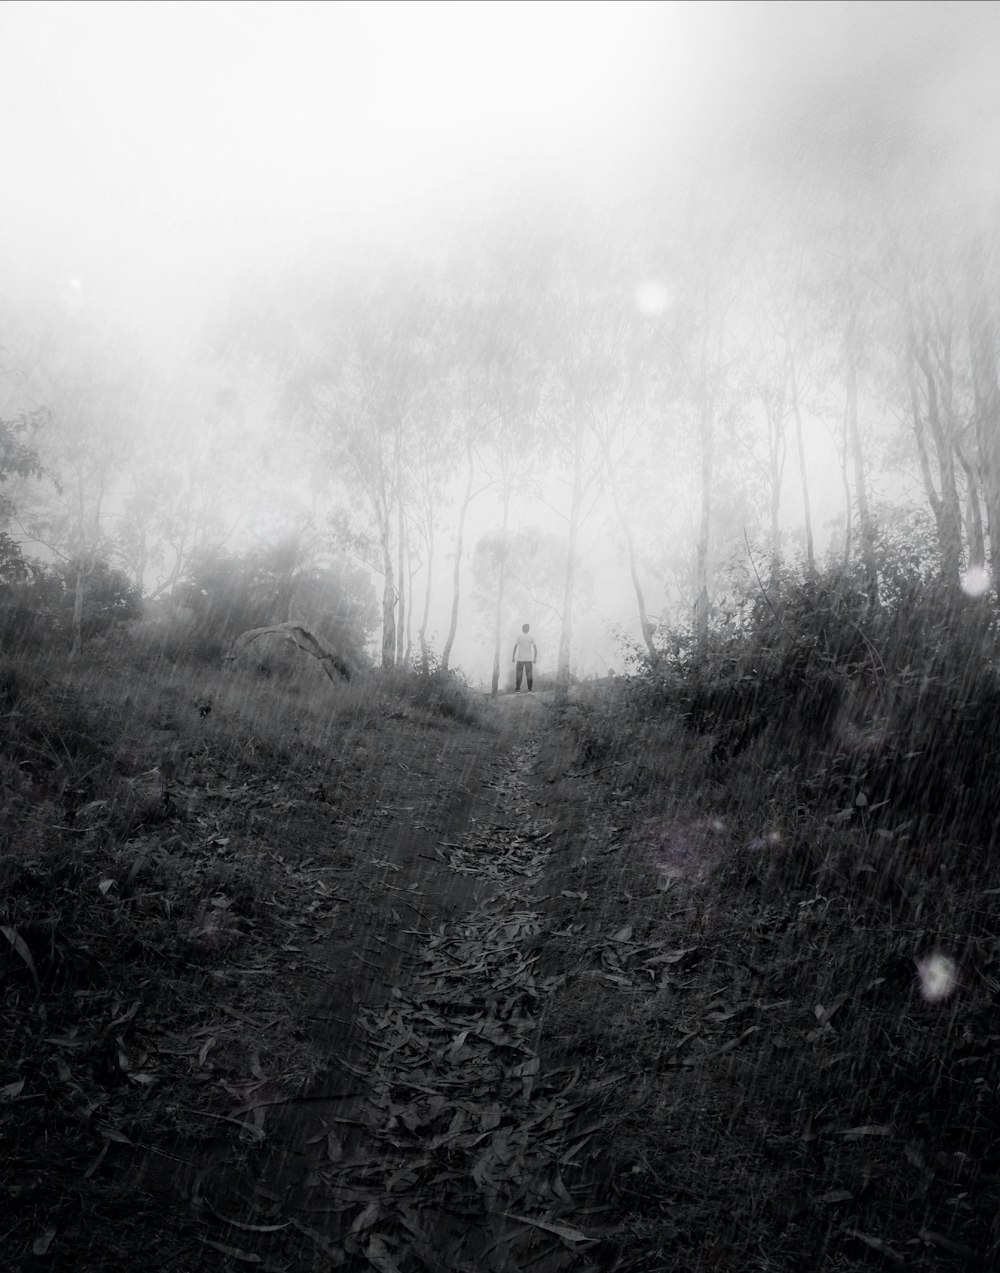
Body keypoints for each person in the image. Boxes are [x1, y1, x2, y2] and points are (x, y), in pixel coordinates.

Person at [512, 623, 538, 692]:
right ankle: (529, 689)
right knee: (529, 674)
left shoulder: (519, 637)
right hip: (529, 659)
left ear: (522, 629)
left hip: (520, 659)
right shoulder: (531, 637)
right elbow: (535, 648)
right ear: (528, 629)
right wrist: (535, 658)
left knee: (519, 674)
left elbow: (515, 647)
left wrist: (513, 656)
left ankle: (518, 689)